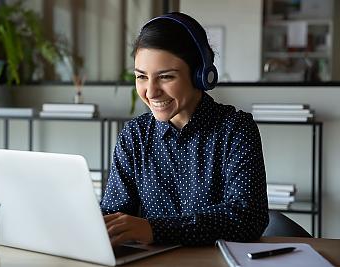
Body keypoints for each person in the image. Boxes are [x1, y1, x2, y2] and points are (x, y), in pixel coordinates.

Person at [101, 12, 268, 246]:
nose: (150, 91)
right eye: (141, 77)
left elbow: (247, 218)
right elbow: (113, 213)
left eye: (165, 77)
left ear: (201, 75)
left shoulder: (236, 129)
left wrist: (154, 230)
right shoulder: (134, 135)